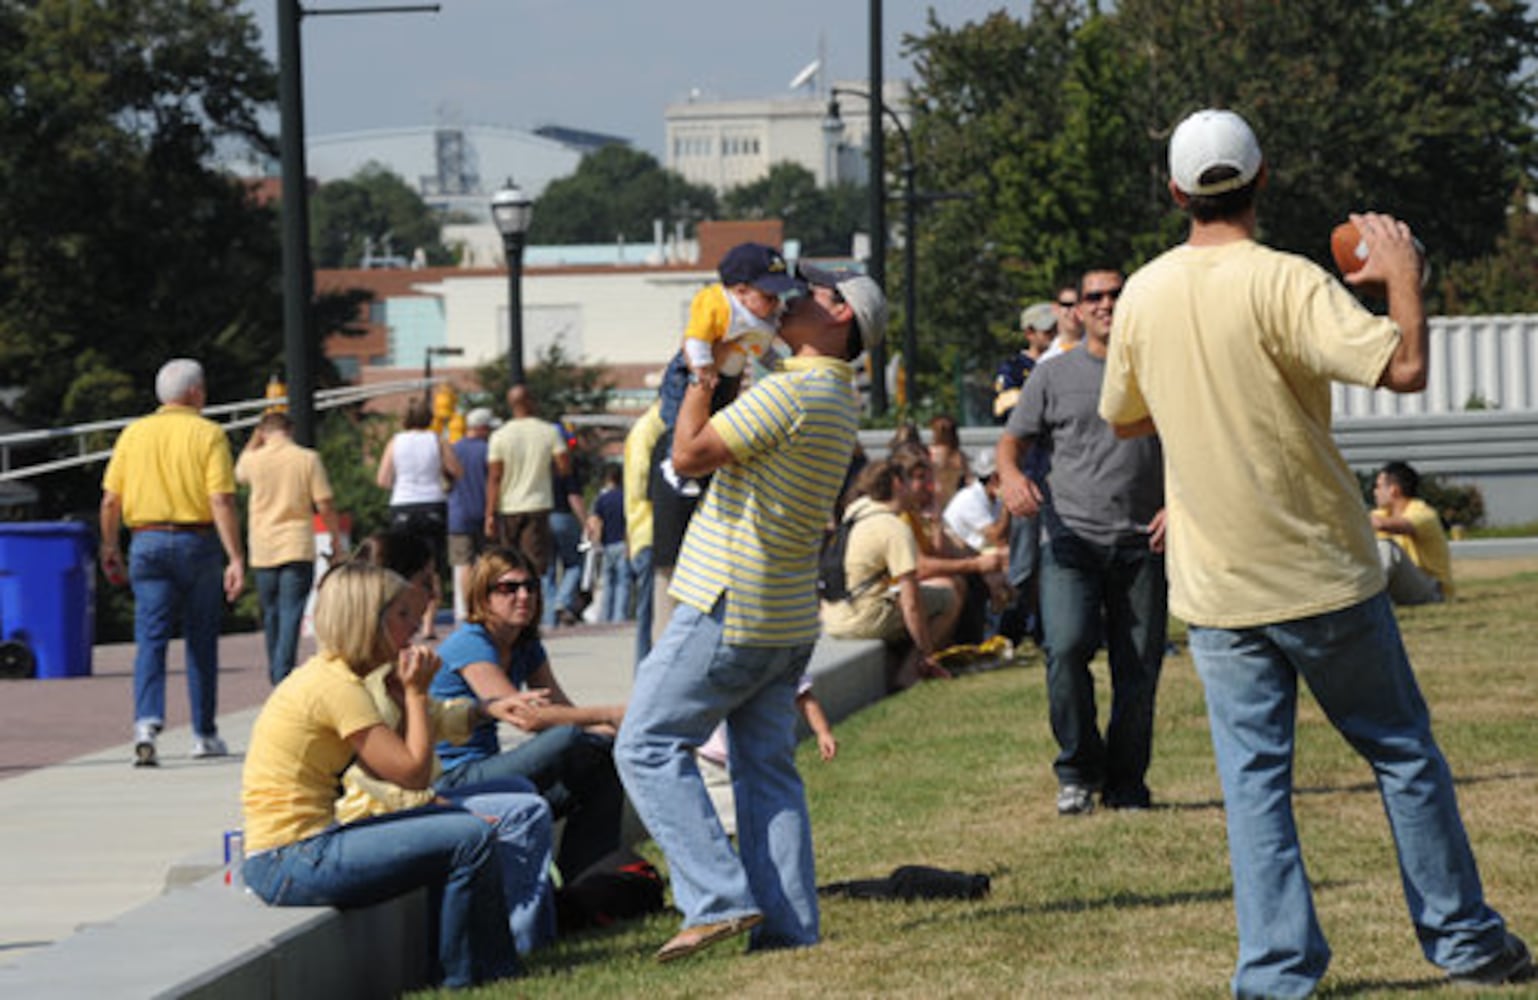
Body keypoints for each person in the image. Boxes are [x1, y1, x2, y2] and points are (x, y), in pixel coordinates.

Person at [1100, 108, 1531, 994]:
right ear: (1263, 180)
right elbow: (1404, 369)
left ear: (1176, 193)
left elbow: (1125, 416)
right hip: (1322, 571)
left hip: (1218, 587)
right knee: (1402, 754)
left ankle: (1275, 972)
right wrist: (1403, 278)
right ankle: (1465, 944)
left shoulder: (1141, 292)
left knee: (1256, 787)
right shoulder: (1290, 282)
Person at [615, 262, 884, 962]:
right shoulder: (836, 395)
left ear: (841, 317)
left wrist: (701, 375)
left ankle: (716, 898)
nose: (792, 297)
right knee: (766, 771)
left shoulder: (793, 392)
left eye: (813, 293)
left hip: (728, 599)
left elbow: (689, 453)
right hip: (787, 613)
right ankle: (790, 928)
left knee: (643, 743)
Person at [240, 561, 518, 989]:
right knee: (470, 838)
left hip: (297, 851)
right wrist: (415, 692)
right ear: (367, 621)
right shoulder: (337, 688)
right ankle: (468, 980)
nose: (414, 627)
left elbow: (384, 769)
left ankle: (489, 972)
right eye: (402, 615)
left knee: (462, 832)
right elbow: (413, 775)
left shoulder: (334, 677)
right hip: (290, 859)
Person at [339, 532, 558, 954]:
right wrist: (433, 803)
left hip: (418, 793)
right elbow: (375, 776)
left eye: (529, 586)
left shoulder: (396, 657)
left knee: (529, 791)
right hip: (378, 812)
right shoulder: (355, 678)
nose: (434, 591)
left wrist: (485, 710)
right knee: (531, 797)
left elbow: (440, 718)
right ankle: (510, 949)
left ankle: (540, 930)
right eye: (426, 581)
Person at [1000, 267, 1168, 816]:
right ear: (1075, 310)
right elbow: (1012, 442)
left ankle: (1126, 784)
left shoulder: (1159, 368)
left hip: (1144, 540)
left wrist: (1178, 505)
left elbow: (1194, 441)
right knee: (1066, 649)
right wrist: (1011, 476)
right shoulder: (1053, 376)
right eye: (1094, 296)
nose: (1105, 304)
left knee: (1137, 668)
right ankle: (1077, 769)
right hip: (1070, 537)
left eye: (1116, 294)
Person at [430, 547, 626, 882]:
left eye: (530, 587)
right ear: (483, 595)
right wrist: (610, 714)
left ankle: (588, 883)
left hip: (490, 770)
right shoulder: (470, 642)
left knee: (599, 764)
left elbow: (563, 709)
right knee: (572, 739)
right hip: (453, 778)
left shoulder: (525, 643)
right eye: (508, 588)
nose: (523, 596)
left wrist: (611, 730)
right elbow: (529, 718)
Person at [99, 358, 245, 767]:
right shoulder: (209, 433)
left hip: (145, 540)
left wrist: (110, 545)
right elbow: (221, 498)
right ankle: (204, 733)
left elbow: (111, 499)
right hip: (195, 541)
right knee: (201, 640)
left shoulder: (134, 433)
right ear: (195, 392)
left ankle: (146, 723)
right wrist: (235, 556)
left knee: (151, 638)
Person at [821, 458, 959, 690]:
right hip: (862, 618)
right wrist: (927, 651)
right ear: (897, 483)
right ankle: (910, 674)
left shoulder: (853, 515)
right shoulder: (892, 527)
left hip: (832, 616)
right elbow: (911, 602)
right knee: (948, 598)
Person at [235, 410, 342, 685]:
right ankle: (282, 673)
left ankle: (276, 669)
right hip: (296, 543)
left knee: (270, 612)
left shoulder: (254, 460)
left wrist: (253, 440)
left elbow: (238, 473)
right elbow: (325, 502)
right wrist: (335, 538)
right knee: (291, 611)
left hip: (263, 546)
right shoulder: (307, 459)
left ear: (263, 433)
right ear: (290, 430)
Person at [655, 241, 799, 430]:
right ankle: (672, 457)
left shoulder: (760, 317)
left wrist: (782, 368)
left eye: (778, 297)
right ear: (741, 291)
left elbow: (762, 351)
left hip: (729, 377)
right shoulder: (720, 306)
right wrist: (702, 367)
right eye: (769, 297)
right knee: (680, 422)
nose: (775, 303)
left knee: (718, 424)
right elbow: (697, 337)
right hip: (693, 372)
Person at [377, 397, 461, 638]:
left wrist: (402, 482)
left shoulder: (396, 442)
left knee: (402, 566)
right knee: (431, 566)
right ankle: (428, 624)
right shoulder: (437, 440)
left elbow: (383, 479)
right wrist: (443, 480)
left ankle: (402, 615)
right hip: (432, 503)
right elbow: (457, 470)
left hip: (403, 504)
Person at [485, 385, 569, 577]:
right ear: (531, 402)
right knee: (534, 565)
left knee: (509, 564)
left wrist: (490, 514)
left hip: (508, 507)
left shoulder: (499, 436)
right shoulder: (549, 431)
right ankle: (532, 601)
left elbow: (495, 477)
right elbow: (564, 467)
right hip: (537, 503)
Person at [1371, 460, 1453, 605]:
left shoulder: (1423, 513)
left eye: (1378, 486)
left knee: (1387, 547)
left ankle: (1366, 601)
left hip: (1432, 590)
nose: (1374, 492)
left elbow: (1382, 524)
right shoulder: (1382, 513)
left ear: (1393, 490)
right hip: (1405, 587)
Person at [623, 403, 666, 664]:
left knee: (652, 614)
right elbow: (640, 483)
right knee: (650, 615)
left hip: (647, 532)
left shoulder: (650, 427)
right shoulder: (651, 428)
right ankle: (646, 676)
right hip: (651, 530)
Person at [447, 406, 496, 622]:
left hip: (458, 513)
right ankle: (484, 604)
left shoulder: (454, 449)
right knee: (486, 562)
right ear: (483, 428)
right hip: (484, 512)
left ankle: (467, 607)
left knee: (463, 562)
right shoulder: (487, 450)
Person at [544, 438, 588, 627]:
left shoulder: (542, 468)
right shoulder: (566, 469)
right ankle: (562, 601)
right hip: (563, 517)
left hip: (542, 517)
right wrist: (586, 521)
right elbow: (574, 497)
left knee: (547, 571)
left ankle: (548, 618)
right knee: (575, 563)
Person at [992, 301, 1057, 424]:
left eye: (1057, 329)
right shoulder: (1013, 369)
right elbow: (1008, 411)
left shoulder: (1065, 362)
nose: (1054, 335)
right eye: (1048, 331)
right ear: (1029, 333)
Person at [588, 465, 632, 622]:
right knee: (623, 583)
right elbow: (629, 523)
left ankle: (606, 616)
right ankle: (619, 616)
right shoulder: (625, 498)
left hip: (607, 545)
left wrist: (596, 543)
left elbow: (596, 522)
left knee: (608, 583)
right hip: (622, 543)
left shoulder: (602, 499)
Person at [927, 414, 969, 512]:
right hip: (953, 498)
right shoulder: (960, 456)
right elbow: (968, 479)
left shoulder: (931, 453)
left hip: (936, 497)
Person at [1037, 281, 1083, 364]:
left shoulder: (1103, 351)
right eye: (1067, 305)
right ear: (1056, 309)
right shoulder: (1046, 360)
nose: (1074, 311)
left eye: (1079, 306)